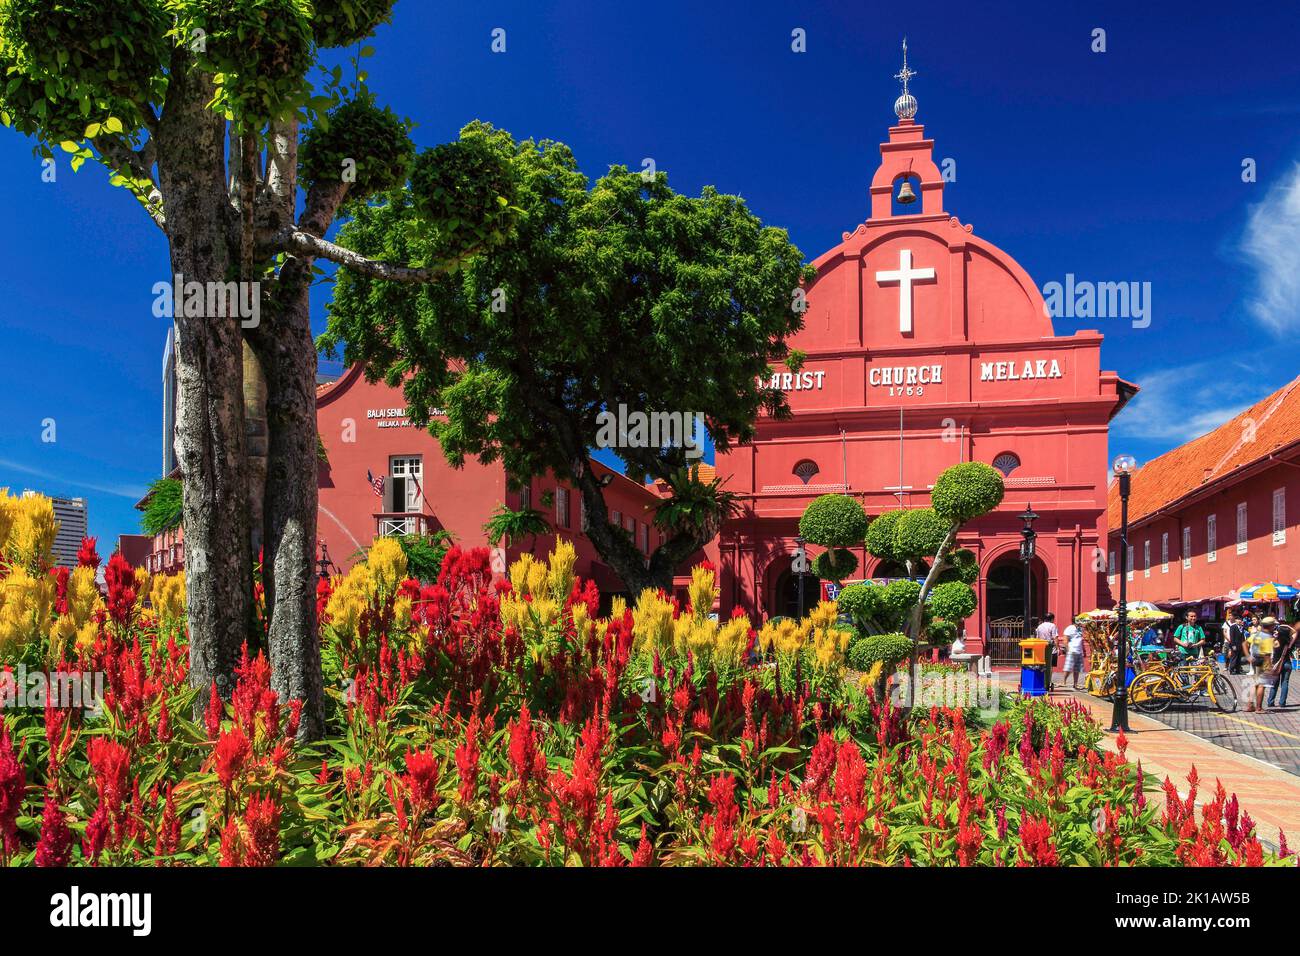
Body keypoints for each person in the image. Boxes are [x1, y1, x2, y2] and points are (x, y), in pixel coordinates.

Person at [1246, 618, 1279, 713]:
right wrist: (1269, 667)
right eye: (1273, 625)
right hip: (1263, 662)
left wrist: (1248, 656)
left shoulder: (1257, 634)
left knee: (1255, 684)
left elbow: (1245, 643)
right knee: (1261, 685)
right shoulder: (1267, 637)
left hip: (1255, 659)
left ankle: (1250, 705)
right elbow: (1267, 654)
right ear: (1270, 626)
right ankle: (1259, 708)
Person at [1267, 617, 1297, 709]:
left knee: (1274, 683)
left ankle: (1270, 701)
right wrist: (1286, 626)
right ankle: (1282, 702)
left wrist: (1278, 627)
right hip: (1287, 663)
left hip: (1276, 664)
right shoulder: (1289, 643)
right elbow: (1295, 632)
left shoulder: (1274, 642)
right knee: (1285, 683)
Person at [1035, 613, 1060, 690]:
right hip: (1051, 649)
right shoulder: (1052, 626)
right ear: (1052, 619)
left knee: (1042, 665)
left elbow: (1037, 638)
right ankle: (1048, 681)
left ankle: (1043, 681)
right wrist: (1058, 647)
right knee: (1050, 666)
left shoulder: (1039, 626)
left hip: (1041, 648)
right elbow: (1055, 637)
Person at [1063, 618, 1085, 689]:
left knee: (1077, 669)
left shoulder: (1080, 629)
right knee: (1068, 668)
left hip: (1079, 651)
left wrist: (1083, 650)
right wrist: (1068, 649)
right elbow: (1065, 639)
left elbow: (1081, 640)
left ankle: (1075, 684)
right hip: (1072, 650)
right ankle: (1064, 681)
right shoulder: (1069, 628)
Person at [1224, 609, 1245, 675]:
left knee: (1239, 658)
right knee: (1234, 658)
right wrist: (1233, 646)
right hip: (1234, 645)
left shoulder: (1241, 627)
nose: (1239, 621)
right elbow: (1232, 637)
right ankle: (1231, 669)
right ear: (1236, 620)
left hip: (1240, 645)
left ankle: (1238, 670)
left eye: (1240, 620)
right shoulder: (1233, 627)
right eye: (1238, 620)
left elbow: (1243, 637)